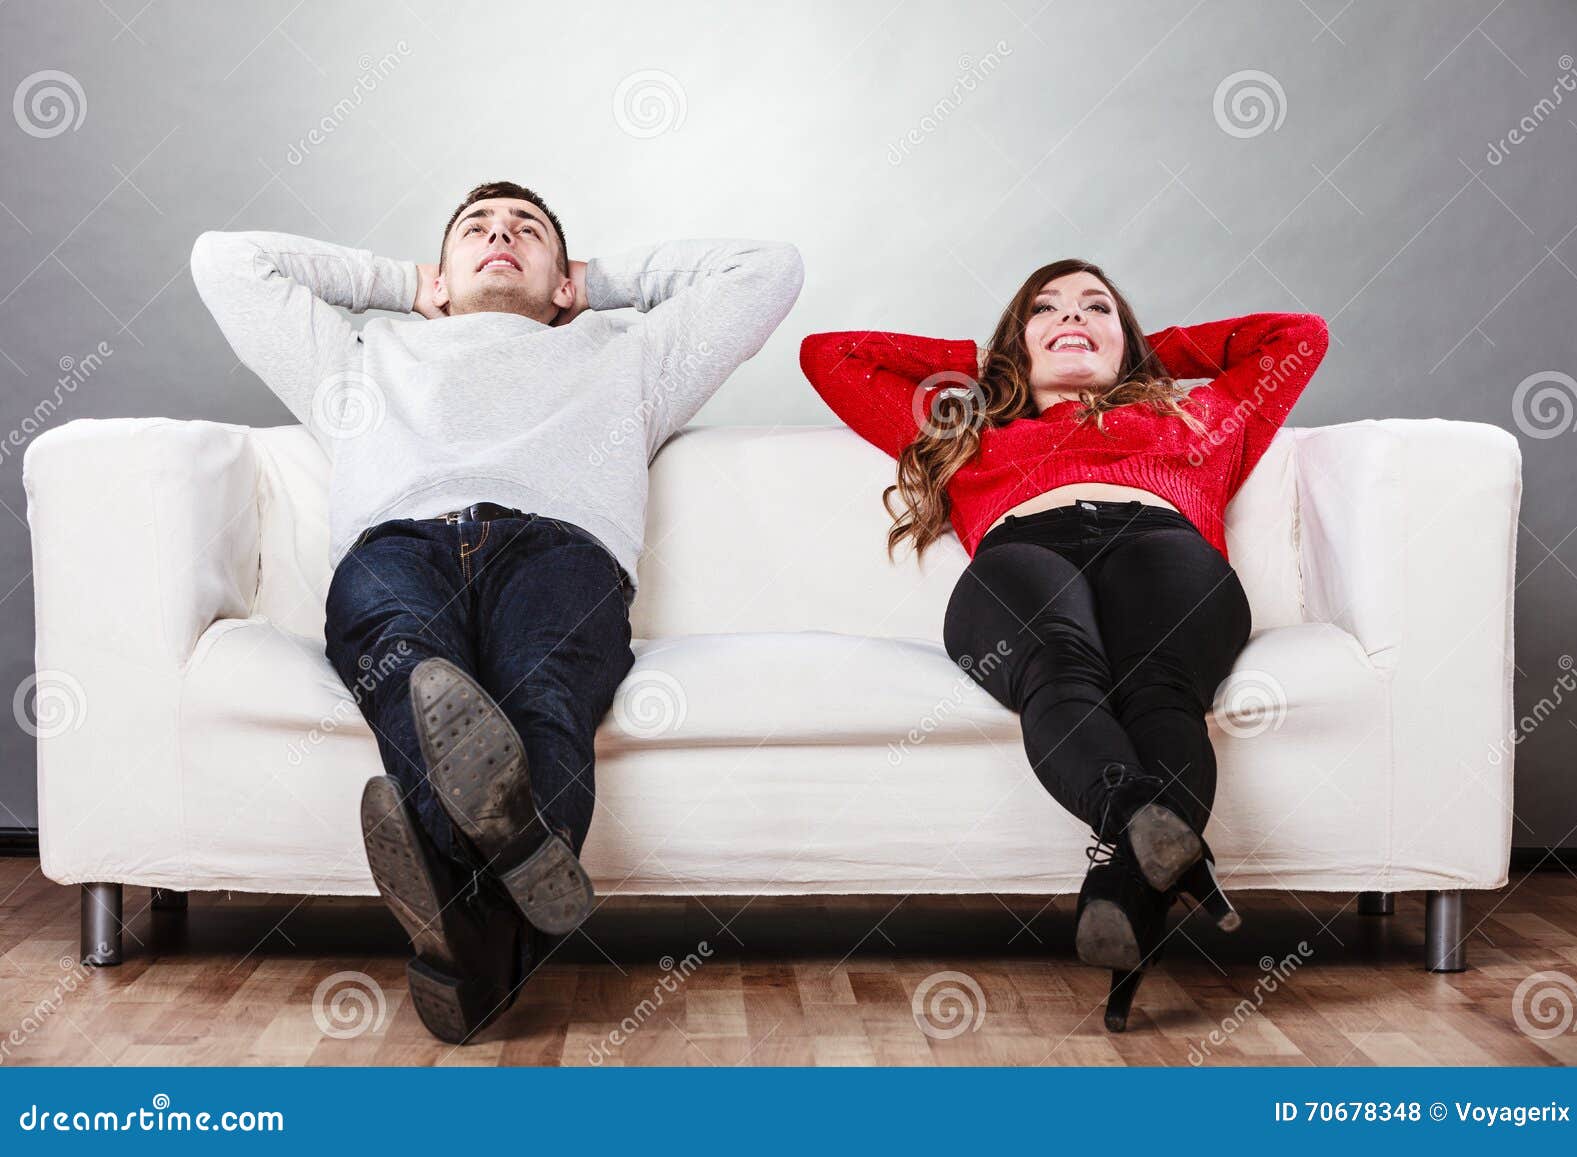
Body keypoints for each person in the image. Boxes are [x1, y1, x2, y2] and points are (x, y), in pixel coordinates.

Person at [190, 181, 803, 1043]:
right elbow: (225, 260)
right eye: (475, 229)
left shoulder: (629, 356)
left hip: (560, 554)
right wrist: (406, 283)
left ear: (562, 280)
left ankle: (470, 934)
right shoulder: (358, 355)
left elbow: (769, 270)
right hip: (398, 546)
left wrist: (600, 283)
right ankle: (510, 884)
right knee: (403, 661)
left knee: (544, 702)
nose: (501, 234)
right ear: (441, 274)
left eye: (529, 231)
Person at [799, 259, 1328, 1031]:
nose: (1071, 318)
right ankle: (1138, 831)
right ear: (1017, 344)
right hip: (1025, 550)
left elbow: (1299, 336)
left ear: (1127, 336)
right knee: (1058, 668)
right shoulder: (965, 426)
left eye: (1096, 309)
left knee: (1160, 690)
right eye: (1044, 310)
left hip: (1162, 542)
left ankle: (1126, 883)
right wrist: (992, 358)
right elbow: (829, 353)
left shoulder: (1200, 417)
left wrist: (1148, 353)